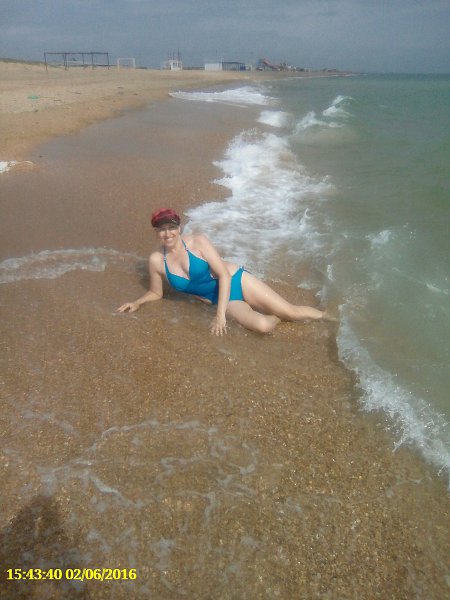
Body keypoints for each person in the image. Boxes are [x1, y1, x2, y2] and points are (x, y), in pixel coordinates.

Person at [117, 208, 331, 335]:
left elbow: (224, 275)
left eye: (171, 228)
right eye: (162, 229)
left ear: (179, 228)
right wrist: (137, 302)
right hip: (221, 299)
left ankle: (331, 316)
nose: (168, 233)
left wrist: (220, 317)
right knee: (263, 326)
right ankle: (274, 316)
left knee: (292, 313)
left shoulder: (198, 242)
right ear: (156, 232)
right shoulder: (157, 260)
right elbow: (156, 293)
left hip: (236, 281)